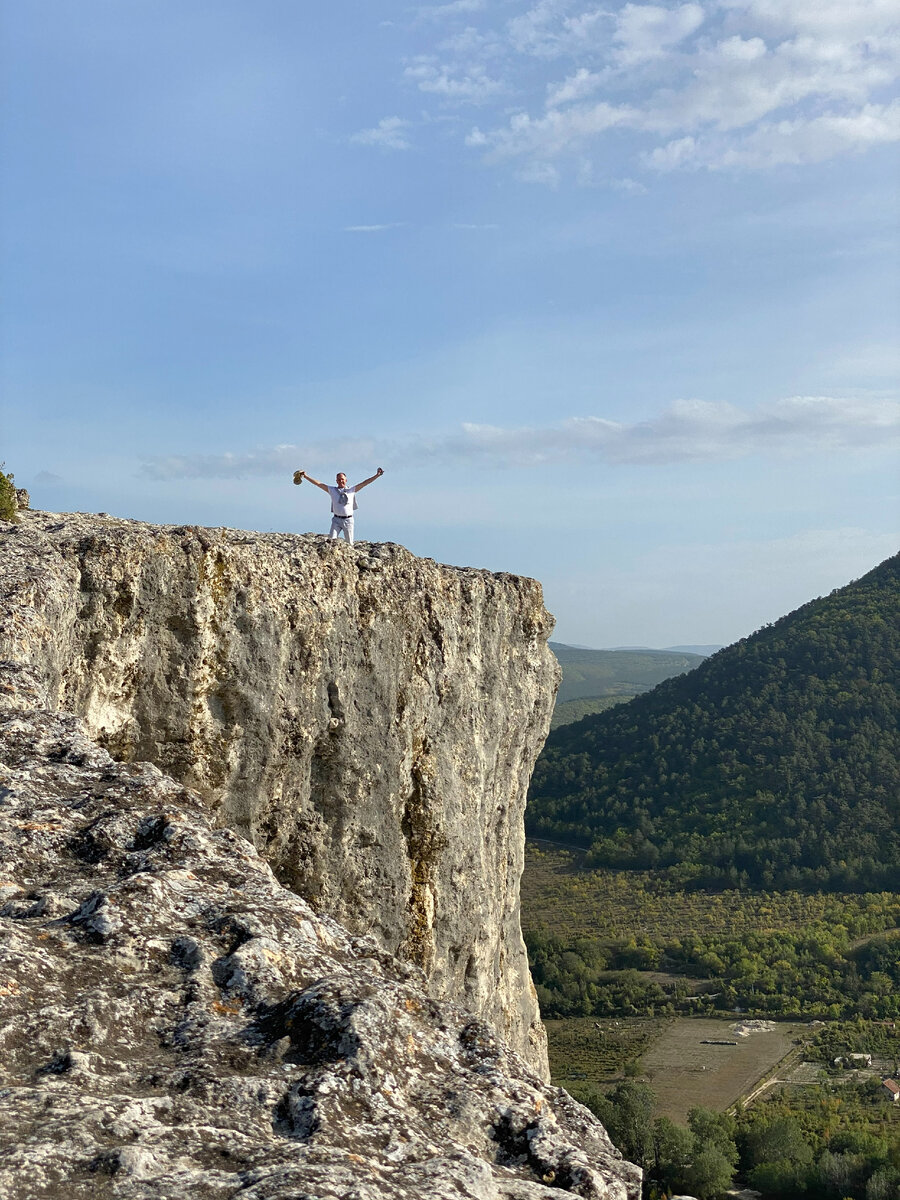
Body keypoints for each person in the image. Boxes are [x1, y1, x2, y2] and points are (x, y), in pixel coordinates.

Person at [297, 467, 384, 544]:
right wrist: (306, 476)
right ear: (336, 481)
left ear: (346, 480)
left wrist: (377, 475)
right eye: (338, 479)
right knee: (331, 541)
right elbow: (318, 484)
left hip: (348, 520)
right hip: (336, 520)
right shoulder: (332, 490)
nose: (340, 481)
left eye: (342, 479)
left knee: (349, 543)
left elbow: (365, 483)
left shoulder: (351, 490)